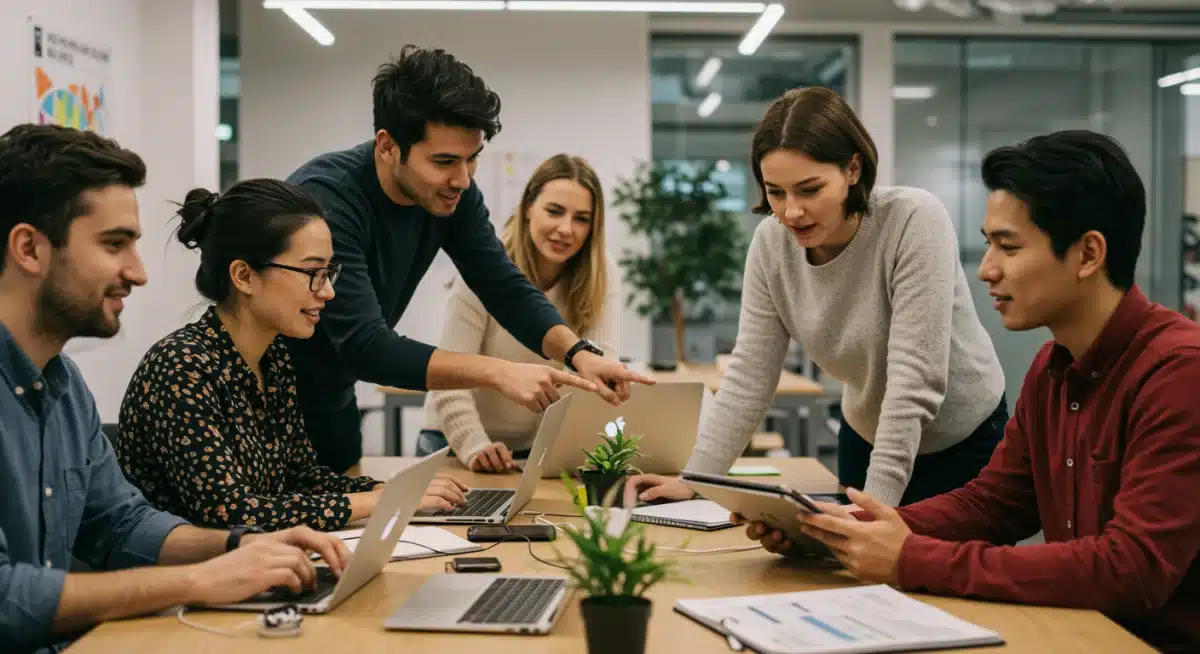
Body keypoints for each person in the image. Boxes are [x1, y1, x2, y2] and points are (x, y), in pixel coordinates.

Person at [740, 130, 1200, 653]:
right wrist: (850, 531)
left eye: (1008, 246)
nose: (986, 270)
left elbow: (1131, 569)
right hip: (1082, 634)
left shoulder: (1179, 373)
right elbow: (995, 504)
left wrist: (911, 558)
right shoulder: (1053, 367)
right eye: (988, 244)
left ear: (1088, 253)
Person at [0, 123, 351, 654]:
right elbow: (6, 596)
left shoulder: (64, 385)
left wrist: (243, 546)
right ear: (29, 248)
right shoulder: (181, 364)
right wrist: (199, 580)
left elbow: (122, 524)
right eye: (114, 244)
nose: (138, 273)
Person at [626, 87, 1006, 508]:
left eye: (809, 190)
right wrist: (697, 479)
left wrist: (872, 511)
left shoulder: (913, 221)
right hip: (867, 433)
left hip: (962, 439)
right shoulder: (771, 245)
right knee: (855, 573)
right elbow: (751, 373)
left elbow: (913, 381)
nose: (791, 212)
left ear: (853, 169)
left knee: (936, 570)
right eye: (776, 192)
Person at [282, 44, 651, 474]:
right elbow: (367, 347)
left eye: (472, 159)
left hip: (331, 401)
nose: (461, 179)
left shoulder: (451, 196)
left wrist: (580, 354)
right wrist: (497, 372)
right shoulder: (328, 200)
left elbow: (504, 287)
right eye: (443, 161)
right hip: (267, 402)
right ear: (387, 146)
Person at [116, 179, 469, 533]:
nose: (328, 291)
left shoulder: (274, 358)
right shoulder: (181, 367)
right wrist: (379, 501)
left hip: (257, 566)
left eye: (330, 271)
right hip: (185, 579)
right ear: (244, 276)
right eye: (313, 273)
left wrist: (388, 490)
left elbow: (300, 478)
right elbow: (229, 513)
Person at [418, 154, 622, 471]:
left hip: (535, 449)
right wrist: (475, 446)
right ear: (528, 207)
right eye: (554, 211)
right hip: (454, 442)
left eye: (582, 218)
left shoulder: (600, 273)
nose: (566, 229)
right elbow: (449, 378)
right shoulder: (485, 266)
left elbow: (597, 372)